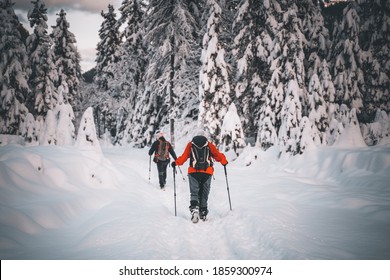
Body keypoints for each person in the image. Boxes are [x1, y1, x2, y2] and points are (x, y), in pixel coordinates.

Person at [172, 132, 228, 222]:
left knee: (194, 192)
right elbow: (218, 156)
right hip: (207, 172)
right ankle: (203, 212)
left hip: (193, 172)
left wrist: (176, 163)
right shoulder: (209, 145)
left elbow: (184, 157)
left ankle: (194, 210)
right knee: (204, 193)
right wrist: (224, 161)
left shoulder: (190, 145)